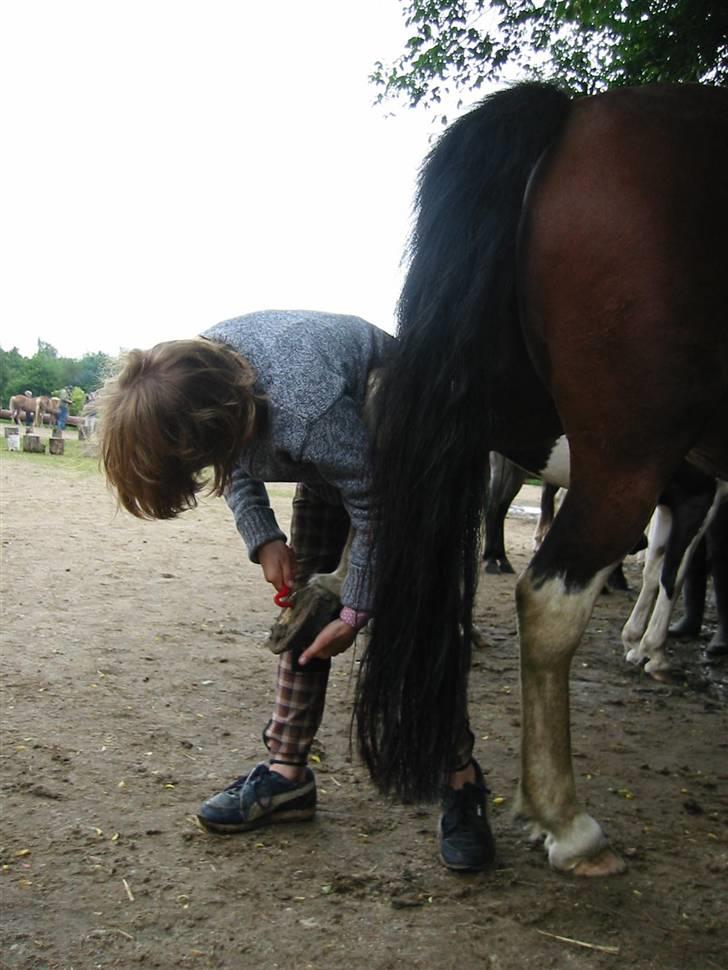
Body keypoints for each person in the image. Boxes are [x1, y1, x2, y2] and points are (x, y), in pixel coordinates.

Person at [98, 309, 494, 871]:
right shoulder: (197, 376)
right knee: (304, 618)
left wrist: (356, 612)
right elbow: (230, 460)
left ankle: (460, 779)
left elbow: (374, 499)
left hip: (411, 462)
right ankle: (286, 777)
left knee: (419, 625)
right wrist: (264, 538)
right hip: (335, 466)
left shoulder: (303, 410)